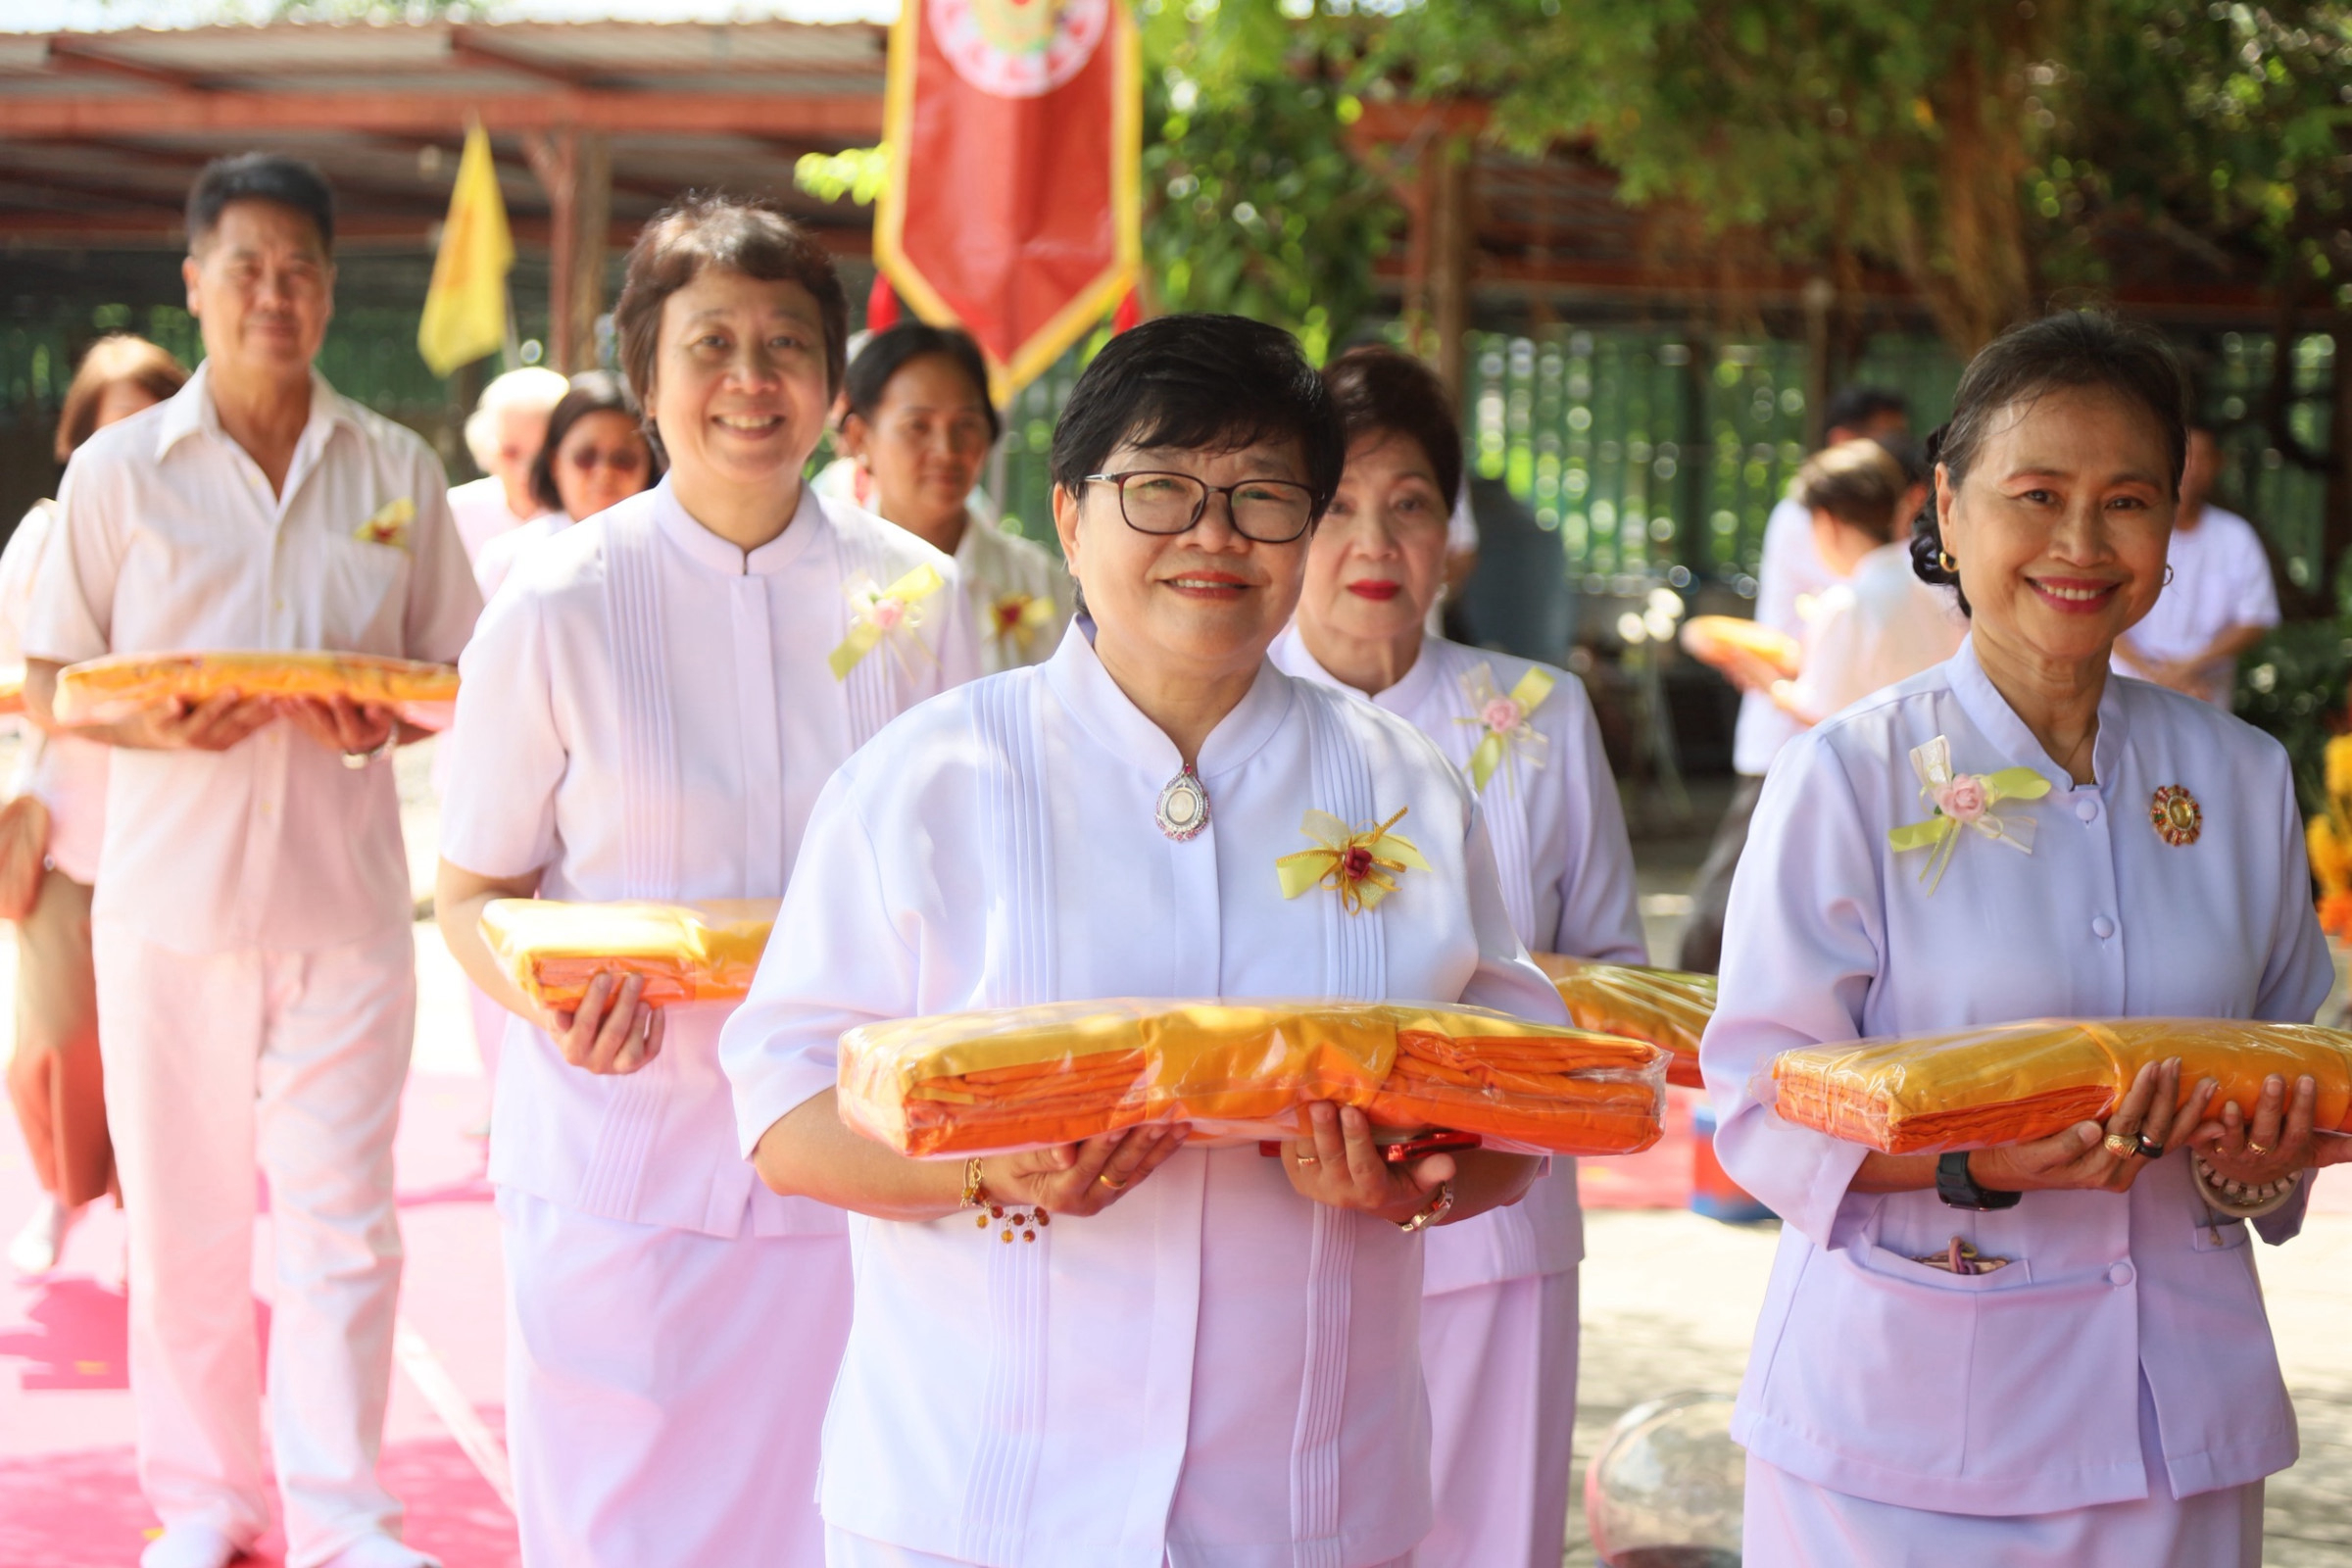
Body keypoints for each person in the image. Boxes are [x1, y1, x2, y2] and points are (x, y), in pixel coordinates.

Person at [720, 313, 1563, 1568]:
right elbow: (786, 1112)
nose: (1214, 535)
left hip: (1304, 1505)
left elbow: (1518, 1115)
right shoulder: (926, 779)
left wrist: (1413, 1187)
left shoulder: (1408, 788)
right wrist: (987, 1174)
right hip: (979, 1503)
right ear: (1071, 517)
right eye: (1161, 489)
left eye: (1262, 496)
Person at [1701, 311, 2334, 1566]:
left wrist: (2260, 1164)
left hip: (2175, 1426)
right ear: (1949, 508)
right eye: (2036, 495)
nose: (2081, 544)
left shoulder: (2242, 777)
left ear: (2171, 525)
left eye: (2127, 502)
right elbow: (1761, 1108)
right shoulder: (1848, 775)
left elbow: (2281, 1079)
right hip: (1906, 1436)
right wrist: (1975, 1161)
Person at [434, 196, 980, 1568]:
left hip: (853, 1167)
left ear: (832, 377)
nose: (752, 378)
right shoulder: (555, 602)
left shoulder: (918, 596)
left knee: (847, 1522)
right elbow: (475, 889)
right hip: (621, 1155)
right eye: (712, 344)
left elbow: (972, 881)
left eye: (786, 342)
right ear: (646, 370)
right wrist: (552, 1002)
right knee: (620, 1530)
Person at [23, 154, 479, 1568]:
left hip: (348, 910)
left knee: (347, 1225)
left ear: (330, 289)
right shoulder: (118, 472)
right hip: (167, 910)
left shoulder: (395, 468)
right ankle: (207, 1502)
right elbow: (50, 682)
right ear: (196, 283)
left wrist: (379, 716)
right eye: (247, 268)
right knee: (188, 1228)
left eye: (300, 270)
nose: (274, 295)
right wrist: (154, 722)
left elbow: (454, 671)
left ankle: (345, 1514)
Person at [1270, 345, 1645, 1568]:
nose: (1373, 543)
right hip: (1277, 1221)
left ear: (1452, 532)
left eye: (1410, 504)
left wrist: (1502, 1078)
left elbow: (1615, 981)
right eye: (1336, 506)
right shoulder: (1222, 718)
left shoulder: (1538, 716)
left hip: (1501, 1232)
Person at [2, 333, 187, 1276]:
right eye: (113, 429)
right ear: (77, 439)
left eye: (153, 427)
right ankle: (60, 1194)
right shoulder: (43, 536)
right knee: (60, 1036)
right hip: (69, 830)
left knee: (162, 1045)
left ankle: (150, 1216)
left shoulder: (207, 538)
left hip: (180, 832)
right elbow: (21, 673)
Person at [1679, 385, 1909, 972]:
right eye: (1885, 437)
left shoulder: (1856, 594)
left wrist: (1766, 679)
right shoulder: (1834, 539)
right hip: (1820, 742)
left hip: (1826, 729)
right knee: (1754, 887)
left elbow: (1824, 688)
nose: (1895, 448)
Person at [836, 320, 1071, 672]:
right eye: (918, 426)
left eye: (966, 424)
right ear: (859, 437)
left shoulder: (1041, 583)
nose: (946, 450)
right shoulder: (827, 579)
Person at [1727, 438, 1965, 728]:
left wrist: (1768, 682)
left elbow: (1824, 715)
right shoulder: (1939, 584)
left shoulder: (1846, 604)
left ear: (1827, 521)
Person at [2113, 424, 2279, 707]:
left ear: (2218, 464)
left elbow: (2256, 618)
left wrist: (2188, 667)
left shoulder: (2236, 536)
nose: (2190, 467)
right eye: (2183, 456)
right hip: (2124, 689)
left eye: (2201, 457)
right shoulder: (2127, 528)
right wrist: (2153, 672)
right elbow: (2099, 601)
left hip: (2204, 694)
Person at [470, 369, 660, 603]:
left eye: (623, 460)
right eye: (585, 457)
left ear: (650, 464)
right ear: (554, 461)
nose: (604, 473)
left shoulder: (674, 554)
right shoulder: (507, 564)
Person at [446, 366, 568, 565]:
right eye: (510, 453)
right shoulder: (455, 513)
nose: (526, 471)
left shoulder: (581, 518)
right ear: (485, 445)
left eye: (542, 456)